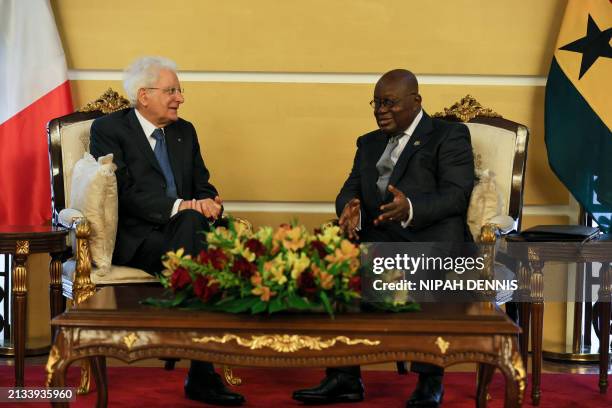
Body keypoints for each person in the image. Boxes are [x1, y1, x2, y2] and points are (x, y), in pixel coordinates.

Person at [292, 69, 474, 407]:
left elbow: (457, 195)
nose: (380, 111)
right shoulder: (368, 142)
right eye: (376, 103)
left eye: (389, 103)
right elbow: (349, 187)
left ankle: (429, 381)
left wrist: (411, 207)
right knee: (331, 256)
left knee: (427, 266)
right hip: (377, 233)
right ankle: (343, 376)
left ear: (416, 102)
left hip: (429, 235)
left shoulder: (448, 136)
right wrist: (349, 206)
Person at [90, 56, 245, 406]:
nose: (180, 98)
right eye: (172, 91)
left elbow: (202, 183)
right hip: (139, 238)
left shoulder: (183, 131)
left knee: (202, 231)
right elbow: (124, 194)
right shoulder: (109, 130)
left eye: (179, 90)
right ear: (144, 95)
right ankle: (202, 371)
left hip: (186, 233)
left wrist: (209, 203)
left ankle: (185, 340)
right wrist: (184, 208)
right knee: (203, 244)